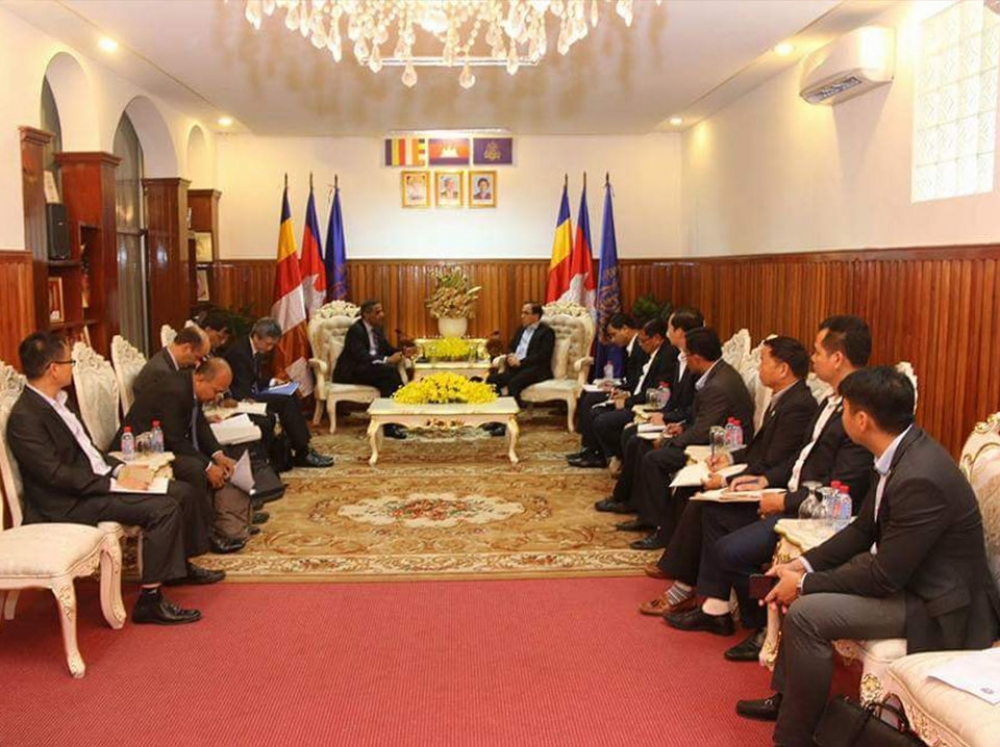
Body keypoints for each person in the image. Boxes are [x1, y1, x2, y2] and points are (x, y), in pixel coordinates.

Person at [740, 367, 1000, 747]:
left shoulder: (920, 476)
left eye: (844, 408)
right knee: (805, 593)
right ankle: (789, 703)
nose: (841, 415)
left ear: (861, 420)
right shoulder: (895, 452)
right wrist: (803, 565)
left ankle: (795, 737)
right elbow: (863, 530)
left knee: (808, 613)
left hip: (937, 604)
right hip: (910, 582)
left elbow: (883, 576)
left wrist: (805, 584)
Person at [666, 316, 874, 656]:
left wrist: (783, 501)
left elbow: (843, 488)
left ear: (837, 358)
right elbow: (798, 458)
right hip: (785, 493)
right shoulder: (829, 401)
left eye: (818, 351)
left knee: (730, 550)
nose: (812, 358)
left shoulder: (858, 412)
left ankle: (765, 626)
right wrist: (763, 482)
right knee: (714, 514)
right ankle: (716, 610)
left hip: (815, 514)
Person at [7, 332, 222, 625]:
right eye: (69, 362)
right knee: (163, 508)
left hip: (93, 484)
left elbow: (90, 452)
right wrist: (114, 484)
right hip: (66, 503)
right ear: (53, 369)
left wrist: (121, 470)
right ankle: (149, 601)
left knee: (183, 492)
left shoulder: (61, 402)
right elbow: (55, 475)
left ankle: (180, 568)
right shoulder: (26, 417)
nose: (72, 367)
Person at [640, 336, 817, 625]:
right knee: (697, 499)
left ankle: (708, 602)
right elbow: (762, 451)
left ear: (782, 369)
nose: (759, 367)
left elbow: (775, 461)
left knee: (705, 508)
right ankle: (708, 602)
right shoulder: (785, 398)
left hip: (779, 492)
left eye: (764, 361)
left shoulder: (799, 404)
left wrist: (733, 479)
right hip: (766, 479)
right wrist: (730, 459)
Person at [620, 326, 755, 550]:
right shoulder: (715, 374)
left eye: (687, 355)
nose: (685, 360)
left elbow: (702, 431)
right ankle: (648, 517)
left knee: (655, 458)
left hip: (720, 447)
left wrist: (667, 441)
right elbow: (699, 419)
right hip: (709, 437)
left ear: (698, 358)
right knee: (643, 445)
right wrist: (681, 427)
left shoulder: (719, 385)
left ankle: (663, 530)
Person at [120, 357, 253, 553]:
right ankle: (204, 536)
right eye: (216, 390)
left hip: (163, 447)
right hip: (141, 452)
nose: (218, 396)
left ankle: (227, 520)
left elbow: (199, 423)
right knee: (195, 469)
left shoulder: (189, 386)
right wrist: (208, 466)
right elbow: (175, 440)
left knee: (218, 459)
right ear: (201, 379)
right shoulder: (174, 392)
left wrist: (218, 455)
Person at [591, 307, 702, 493]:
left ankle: (626, 495)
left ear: (680, 332)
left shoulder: (689, 361)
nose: (667, 333)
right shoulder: (680, 357)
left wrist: (666, 418)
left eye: (670, 329)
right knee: (629, 434)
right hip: (671, 416)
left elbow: (691, 407)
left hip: (681, 423)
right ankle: (626, 492)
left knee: (631, 436)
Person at [225, 317, 335, 465]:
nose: (270, 348)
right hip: (241, 399)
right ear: (256, 336)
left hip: (251, 392)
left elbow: (254, 380)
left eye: (273, 345)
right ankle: (302, 451)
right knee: (285, 401)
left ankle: (303, 447)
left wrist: (273, 382)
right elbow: (242, 388)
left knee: (291, 394)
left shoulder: (255, 349)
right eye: (268, 344)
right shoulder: (239, 352)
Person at [570, 317, 674, 468]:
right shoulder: (653, 351)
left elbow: (657, 391)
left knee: (600, 418)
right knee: (590, 401)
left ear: (657, 339)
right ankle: (592, 451)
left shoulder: (667, 355)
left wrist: (627, 399)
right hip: (636, 397)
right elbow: (638, 381)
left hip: (647, 405)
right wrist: (621, 390)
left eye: (643, 341)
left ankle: (607, 455)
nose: (640, 344)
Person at [566, 313, 646, 464]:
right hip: (629, 391)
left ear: (625, 329)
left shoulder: (640, 347)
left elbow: (640, 382)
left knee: (592, 401)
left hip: (633, 397)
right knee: (587, 397)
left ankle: (595, 454)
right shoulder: (632, 346)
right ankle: (589, 449)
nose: (612, 340)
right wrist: (616, 386)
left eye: (613, 335)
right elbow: (634, 379)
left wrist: (623, 392)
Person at [333, 300, 409, 440]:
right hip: (352, 371)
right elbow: (361, 356)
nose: (382, 315)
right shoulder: (356, 330)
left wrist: (402, 351)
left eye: (381, 311)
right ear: (366, 315)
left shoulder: (377, 329)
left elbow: (387, 349)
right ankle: (391, 423)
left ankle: (393, 418)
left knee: (387, 378)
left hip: (369, 369)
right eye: (377, 312)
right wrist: (387, 360)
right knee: (388, 372)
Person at [484, 301, 556, 436]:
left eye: (526, 313)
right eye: (522, 312)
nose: (522, 316)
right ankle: (496, 418)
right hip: (517, 367)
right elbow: (512, 346)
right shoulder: (521, 329)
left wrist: (520, 362)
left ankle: (508, 424)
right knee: (492, 380)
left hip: (536, 370)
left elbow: (542, 356)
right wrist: (511, 356)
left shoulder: (547, 332)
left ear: (536, 315)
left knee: (514, 383)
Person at [133, 324, 208, 398]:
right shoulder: (161, 371)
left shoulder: (166, 361)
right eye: (197, 357)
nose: (196, 363)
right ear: (186, 348)